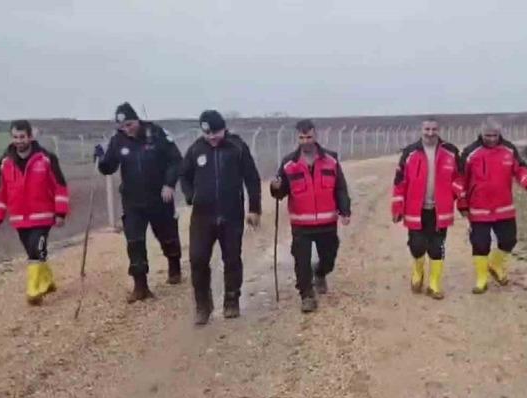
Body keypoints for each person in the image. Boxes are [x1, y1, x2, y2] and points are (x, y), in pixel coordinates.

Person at [180, 110, 262, 325]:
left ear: (223, 128)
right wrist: (191, 197)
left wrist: (254, 209)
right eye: (207, 133)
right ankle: (203, 306)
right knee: (197, 260)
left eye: (216, 132)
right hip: (202, 216)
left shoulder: (237, 147)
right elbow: (185, 176)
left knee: (232, 259)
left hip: (231, 214)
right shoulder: (196, 149)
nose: (212, 137)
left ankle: (231, 300)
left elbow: (252, 178)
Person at [96, 102, 184, 302]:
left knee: (167, 235)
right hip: (133, 200)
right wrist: (101, 159)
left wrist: (169, 184)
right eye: (122, 127)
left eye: (129, 124)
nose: (127, 129)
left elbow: (175, 160)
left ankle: (174, 265)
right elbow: (109, 167)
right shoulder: (118, 141)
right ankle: (140, 286)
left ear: (137, 120)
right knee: (134, 241)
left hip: (160, 197)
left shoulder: (156, 133)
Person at [270, 119, 351, 313]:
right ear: (297, 137)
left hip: (327, 222)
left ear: (316, 136)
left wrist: (345, 211)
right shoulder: (288, 163)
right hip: (301, 224)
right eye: (301, 137)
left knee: (329, 257)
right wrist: (275, 188)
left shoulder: (331, 160)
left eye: (309, 137)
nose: (305, 141)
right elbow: (280, 193)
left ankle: (321, 272)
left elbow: (340, 187)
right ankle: (306, 295)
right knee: (301, 261)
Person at [0, 120, 69, 305]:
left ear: (30, 137)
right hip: (19, 219)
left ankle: (34, 291)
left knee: (36, 250)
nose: (19, 141)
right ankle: (48, 281)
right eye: (15, 137)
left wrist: (61, 213)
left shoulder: (46, 159)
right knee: (34, 252)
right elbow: (0, 192)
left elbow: (60, 186)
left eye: (22, 137)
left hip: (43, 217)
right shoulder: (5, 163)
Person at [457, 118, 527, 294]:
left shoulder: (509, 149)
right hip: (479, 209)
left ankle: (496, 264)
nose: (491, 139)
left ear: (500, 133)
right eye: (487, 135)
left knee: (509, 240)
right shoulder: (470, 152)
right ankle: (481, 278)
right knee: (480, 243)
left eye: (494, 135)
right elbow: (460, 178)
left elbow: (520, 169)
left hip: (504, 207)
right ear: (481, 133)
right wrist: (462, 202)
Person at [391, 118, 464, 299]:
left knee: (436, 247)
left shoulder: (451, 151)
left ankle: (434, 284)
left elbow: (460, 178)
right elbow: (400, 183)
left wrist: (454, 195)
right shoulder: (409, 153)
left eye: (434, 129)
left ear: (439, 130)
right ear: (421, 130)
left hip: (440, 211)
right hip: (416, 210)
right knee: (417, 245)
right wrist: (397, 207)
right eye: (427, 129)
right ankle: (418, 271)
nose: (430, 133)